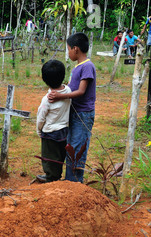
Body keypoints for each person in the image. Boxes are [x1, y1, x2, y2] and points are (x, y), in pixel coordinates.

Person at [48, 33, 97, 183]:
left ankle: (74, 182)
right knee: (71, 146)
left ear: (75, 49)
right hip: (75, 113)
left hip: (83, 115)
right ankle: (70, 180)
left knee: (78, 148)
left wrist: (59, 96)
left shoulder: (87, 66)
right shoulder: (78, 67)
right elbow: (71, 88)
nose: (68, 53)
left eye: (68, 49)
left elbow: (81, 91)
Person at [36, 60, 72, 183]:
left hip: (50, 132)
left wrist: (38, 129)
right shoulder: (68, 91)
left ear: (44, 79)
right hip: (64, 131)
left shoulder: (47, 100)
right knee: (60, 155)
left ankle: (51, 177)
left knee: (49, 157)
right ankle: (56, 175)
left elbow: (41, 117)